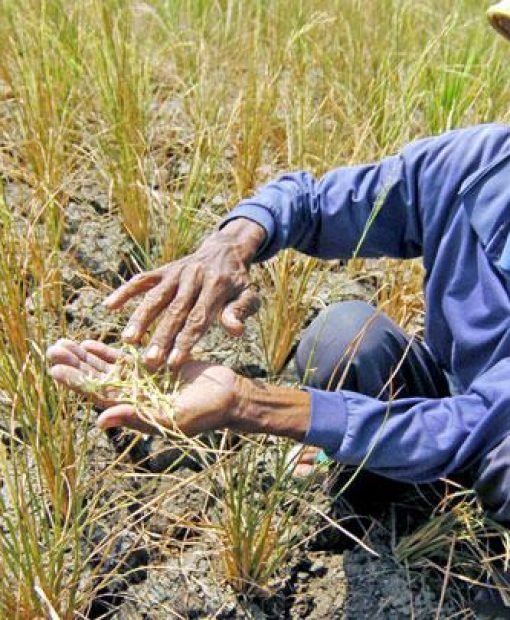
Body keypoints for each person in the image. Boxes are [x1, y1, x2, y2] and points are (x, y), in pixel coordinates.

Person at [47, 2, 510, 614]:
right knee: (345, 337)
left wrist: (250, 404)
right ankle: (382, 514)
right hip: (458, 401)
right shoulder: (475, 164)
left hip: (494, 434)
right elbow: (312, 201)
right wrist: (230, 244)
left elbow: (476, 425)